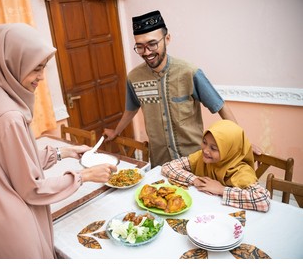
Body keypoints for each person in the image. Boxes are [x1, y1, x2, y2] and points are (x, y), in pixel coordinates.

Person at [0, 23, 117, 259]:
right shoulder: (9, 118)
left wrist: (67, 152)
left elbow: (15, 163)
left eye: (44, 68)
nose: (41, 77)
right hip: (17, 224)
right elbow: (32, 188)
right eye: (36, 69)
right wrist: (85, 176)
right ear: (12, 63)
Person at [104, 10, 259, 167]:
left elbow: (220, 106)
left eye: (152, 44)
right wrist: (116, 132)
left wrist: (243, 142)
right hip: (160, 163)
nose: (147, 52)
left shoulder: (189, 72)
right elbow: (131, 109)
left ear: (167, 39)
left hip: (194, 162)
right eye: (140, 47)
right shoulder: (134, 78)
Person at [161, 120, 270, 212]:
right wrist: (195, 180)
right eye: (204, 142)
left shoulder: (241, 171)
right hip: (204, 211)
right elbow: (168, 167)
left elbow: (263, 200)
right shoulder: (201, 157)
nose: (205, 150)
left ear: (229, 150)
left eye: (213, 148)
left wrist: (221, 189)